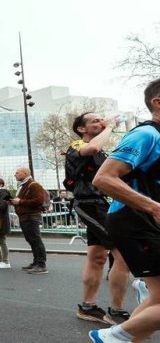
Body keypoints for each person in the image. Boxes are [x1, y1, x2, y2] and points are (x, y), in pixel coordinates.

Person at [89, 78, 160, 343]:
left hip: (146, 221)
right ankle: (114, 336)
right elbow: (103, 179)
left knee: (158, 297)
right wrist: (154, 207)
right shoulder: (146, 134)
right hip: (134, 220)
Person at [66, 112, 131, 324]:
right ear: (81, 129)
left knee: (97, 256)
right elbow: (91, 148)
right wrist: (110, 126)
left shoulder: (101, 151)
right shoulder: (76, 144)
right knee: (122, 253)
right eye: (94, 121)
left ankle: (88, 307)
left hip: (100, 203)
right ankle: (116, 311)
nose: (100, 122)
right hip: (88, 204)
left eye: (100, 120)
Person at [11, 167, 48, 274]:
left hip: (31, 216)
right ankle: (36, 262)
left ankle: (41, 264)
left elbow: (38, 201)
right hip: (25, 216)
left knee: (35, 240)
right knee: (31, 240)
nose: (15, 174)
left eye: (17, 173)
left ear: (25, 173)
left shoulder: (34, 185)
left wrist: (20, 202)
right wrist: (14, 202)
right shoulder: (24, 186)